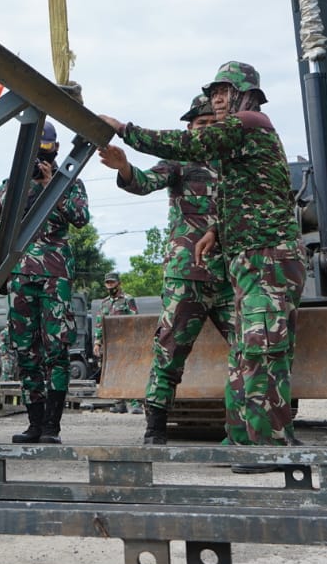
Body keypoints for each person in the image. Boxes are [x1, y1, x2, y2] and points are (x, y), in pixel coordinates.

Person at [99, 62, 304, 468]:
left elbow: (190, 146)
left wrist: (124, 128)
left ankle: (266, 444)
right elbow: (246, 199)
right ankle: (241, 438)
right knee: (240, 354)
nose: (217, 102)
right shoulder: (227, 152)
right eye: (213, 96)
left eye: (224, 93)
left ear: (246, 93)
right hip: (229, 264)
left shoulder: (250, 124)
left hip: (266, 260)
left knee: (261, 352)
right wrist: (218, 232)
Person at [99, 93, 236, 445]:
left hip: (231, 277)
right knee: (169, 351)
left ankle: (247, 426)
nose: (206, 130)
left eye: (212, 124)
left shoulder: (235, 163)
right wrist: (124, 168)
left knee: (249, 350)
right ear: (189, 129)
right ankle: (155, 428)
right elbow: (144, 182)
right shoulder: (179, 161)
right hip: (185, 274)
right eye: (200, 125)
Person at [0, 121, 90, 444]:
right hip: (20, 276)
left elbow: (80, 218)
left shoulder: (70, 182)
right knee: (25, 351)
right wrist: (18, 179)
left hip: (54, 275)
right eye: (35, 151)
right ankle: (34, 423)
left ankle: (51, 427)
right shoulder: (15, 181)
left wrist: (50, 186)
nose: (41, 157)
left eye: (46, 150)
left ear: (56, 149)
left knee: (56, 351)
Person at [91, 271, 138, 413]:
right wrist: (97, 342)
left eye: (112, 282)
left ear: (119, 283)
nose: (110, 285)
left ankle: (135, 403)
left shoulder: (128, 300)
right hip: (110, 345)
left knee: (130, 371)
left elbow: (134, 321)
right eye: (108, 283)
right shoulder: (104, 303)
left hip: (126, 342)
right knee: (114, 372)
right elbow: (100, 324)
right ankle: (119, 403)